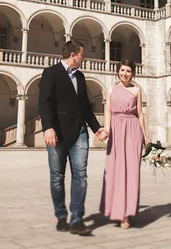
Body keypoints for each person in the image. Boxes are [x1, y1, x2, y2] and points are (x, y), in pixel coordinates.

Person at [39, 40, 108, 236]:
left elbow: (85, 106)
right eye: (82, 55)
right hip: (58, 134)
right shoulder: (51, 73)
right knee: (57, 177)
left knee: (80, 176)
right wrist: (48, 128)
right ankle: (61, 216)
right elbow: (45, 102)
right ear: (73, 55)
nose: (83, 59)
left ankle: (77, 218)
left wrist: (97, 128)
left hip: (79, 133)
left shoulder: (81, 77)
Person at [100, 60, 150, 230]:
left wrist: (145, 135)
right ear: (118, 71)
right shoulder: (111, 90)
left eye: (128, 71)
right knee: (114, 170)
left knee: (131, 171)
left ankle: (126, 215)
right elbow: (108, 111)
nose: (125, 73)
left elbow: (140, 114)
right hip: (116, 129)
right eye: (122, 70)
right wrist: (107, 129)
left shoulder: (136, 90)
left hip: (133, 129)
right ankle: (115, 210)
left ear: (133, 73)